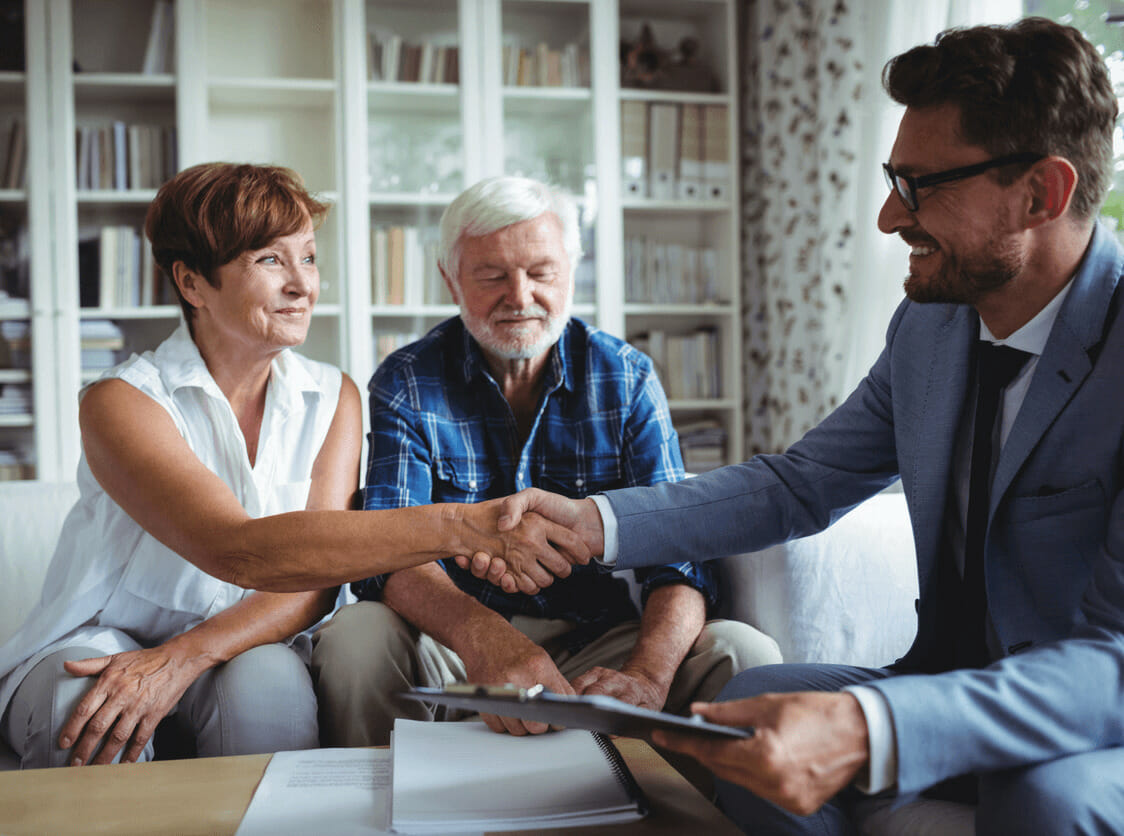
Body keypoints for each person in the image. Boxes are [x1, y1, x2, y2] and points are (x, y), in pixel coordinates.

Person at [485, 18, 1124, 834]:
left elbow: (1114, 664)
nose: (892, 218)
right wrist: (594, 523)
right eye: (895, 180)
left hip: (1089, 721)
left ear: (1043, 192)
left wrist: (873, 727)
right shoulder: (929, 329)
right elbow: (800, 483)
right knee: (750, 703)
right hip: (944, 678)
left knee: (1045, 798)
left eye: (923, 186)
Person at [0, 163, 587, 770]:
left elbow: (313, 579)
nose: (303, 285)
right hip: (102, 635)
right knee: (88, 705)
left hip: (244, 637)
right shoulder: (121, 401)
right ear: (193, 283)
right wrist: (468, 526)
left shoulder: (336, 396)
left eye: (307, 258)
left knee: (271, 690)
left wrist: (185, 657)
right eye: (269, 261)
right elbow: (239, 550)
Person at [311, 175, 780, 748]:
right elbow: (388, 552)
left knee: (744, 651)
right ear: (450, 280)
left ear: (571, 271)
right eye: (491, 275)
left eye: (541, 272)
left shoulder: (626, 377)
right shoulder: (407, 380)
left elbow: (679, 555)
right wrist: (487, 640)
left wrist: (646, 677)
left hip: (598, 639)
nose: (520, 296)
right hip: (453, 638)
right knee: (355, 637)